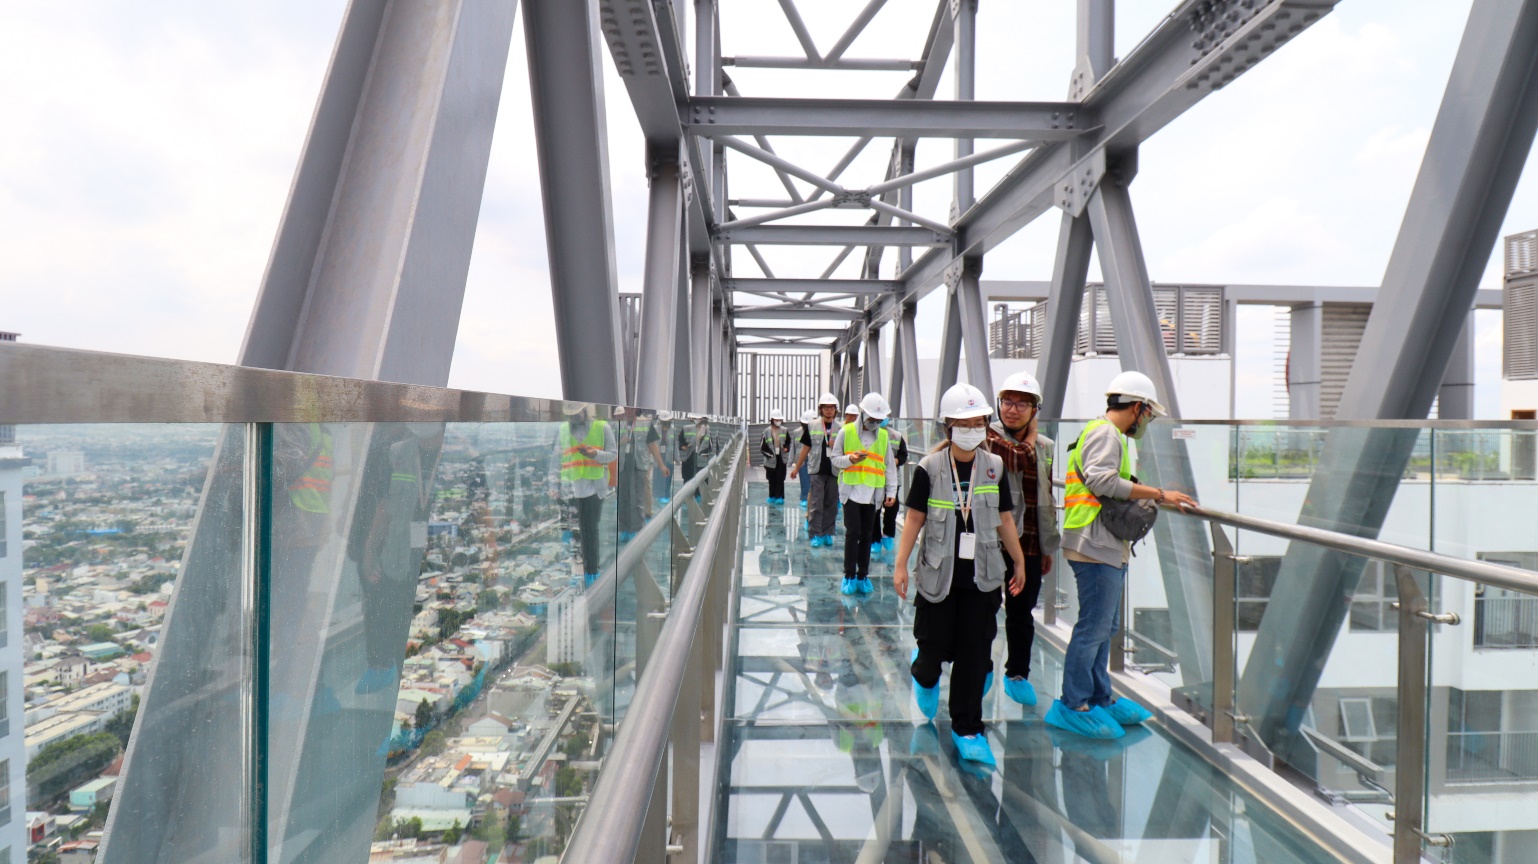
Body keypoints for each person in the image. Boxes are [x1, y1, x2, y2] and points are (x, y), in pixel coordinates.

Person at [1045, 370, 1196, 739]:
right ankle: (1073, 704)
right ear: (1138, 407)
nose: (1147, 421)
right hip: (1092, 545)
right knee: (1093, 627)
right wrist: (1158, 493)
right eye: (1148, 414)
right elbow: (1101, 480)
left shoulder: (1107, 434)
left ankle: (1100, 697)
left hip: (1103, 545)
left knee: (1105, 627)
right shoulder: (1105, 433)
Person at [894, 383, 1028, 767]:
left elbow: (1004, 517)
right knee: (933, 645)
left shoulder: (994, 466)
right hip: (939, 576)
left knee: (975, 651)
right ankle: (925, 673)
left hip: (982, 576)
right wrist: (901, 564)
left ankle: (967, 728)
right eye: (964, 423)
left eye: (978, 422)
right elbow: (915, 519)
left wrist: (1017, 560)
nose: (972, 429)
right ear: (948, 427)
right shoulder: (929, 468)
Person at [985, 371, 1060, 709]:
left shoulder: (1045, 447)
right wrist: (1029, 438)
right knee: (983, 608)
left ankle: (1017, 673)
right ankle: (980, 665)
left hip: (1029, 541)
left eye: (1022, 403)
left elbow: (1046, 498)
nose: (1012, 409)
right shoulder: (986, 438)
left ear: (1034, 410)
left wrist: (1047, 546)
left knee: (1021, 612)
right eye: (1007, 402)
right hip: (992, 538)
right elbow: (1013, 459)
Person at [830, 393, 898, 596]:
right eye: (871, 419)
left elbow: (889, 468)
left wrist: (891, 491)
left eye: (878, 420)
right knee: (853, 534)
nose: (874, 423)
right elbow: (835, 459)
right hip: (851, 492)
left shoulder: (884, 436)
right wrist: (850, 459)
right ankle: (849, 575)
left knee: (867, 535)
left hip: (872, 495)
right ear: (863, 414)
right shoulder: (846, 431)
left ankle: (863, 576)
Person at [551, 404, 618, 587]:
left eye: (576, 414)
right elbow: (556, 459)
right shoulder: (563, 430)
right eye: (570, 415)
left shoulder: (602, 427)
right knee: (575, 531)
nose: (574, 418)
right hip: (571, 487)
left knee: (590, 530)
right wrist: (553, 484)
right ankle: (580, 570)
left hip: (594, 486)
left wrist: (595, 454)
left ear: (585, 411)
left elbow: (613, 455)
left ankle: (592, 570)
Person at [789, 393, 842, 548]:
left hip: (834, 470)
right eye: (826, 407)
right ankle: (815, 534)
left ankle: (827, 533)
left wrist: (837, 446)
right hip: (817, 470)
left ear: (835, 410)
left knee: (831, 503)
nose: (829, 410)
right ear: (821, 409)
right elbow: (805, 448)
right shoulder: (812, 426)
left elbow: (847, 450)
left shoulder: (841, 428)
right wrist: (797, 468)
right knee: (816, 502)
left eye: (832, 407)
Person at [870, 423, 909, 555]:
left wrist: (896, 461)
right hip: (874, 478)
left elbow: (904, 455)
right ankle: (874, 539)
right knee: (874, 509)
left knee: (892, 508)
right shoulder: (867, 435)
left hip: (892, 478)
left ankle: (888, 534)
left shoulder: (896, 436)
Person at [760, 409, 791, 504]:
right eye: (777, 419)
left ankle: (779, 497)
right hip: (770, 459)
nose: (779, 421)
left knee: (780, 478)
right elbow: (762, 446)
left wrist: (786, 448)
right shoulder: (766, 431)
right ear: (772, 420)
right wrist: (770, 454)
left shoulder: (784, 430)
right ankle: (772, 496)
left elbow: (788, 442)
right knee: (771, 478)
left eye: (780, 419)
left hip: (781, 458)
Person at [676, 414, 715, 485]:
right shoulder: (686, 429)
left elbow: (710, 446)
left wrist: (704, 452)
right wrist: (683, 446)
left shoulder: (707, 431)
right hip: (688, 459)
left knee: (701, 482)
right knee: (687, 481)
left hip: (701, 461)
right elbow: (680, 441)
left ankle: (698, 496)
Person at [652, 411, 675, 505]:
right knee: (658, 477)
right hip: (658, 456)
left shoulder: (673, 430)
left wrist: (677, 459)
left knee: (668, 477)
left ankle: (666, 496)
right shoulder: (655, 429)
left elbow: (675, 444)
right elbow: (652, 444)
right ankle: (658, 495)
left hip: (669, 456)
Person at [796, 409, 815, 509]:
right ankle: (804, 498)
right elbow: (798, 448)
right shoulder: (797, 432)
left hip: (815, 459)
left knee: (816, 481)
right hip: (804, 459)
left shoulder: (819, 431)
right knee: (804, 478)